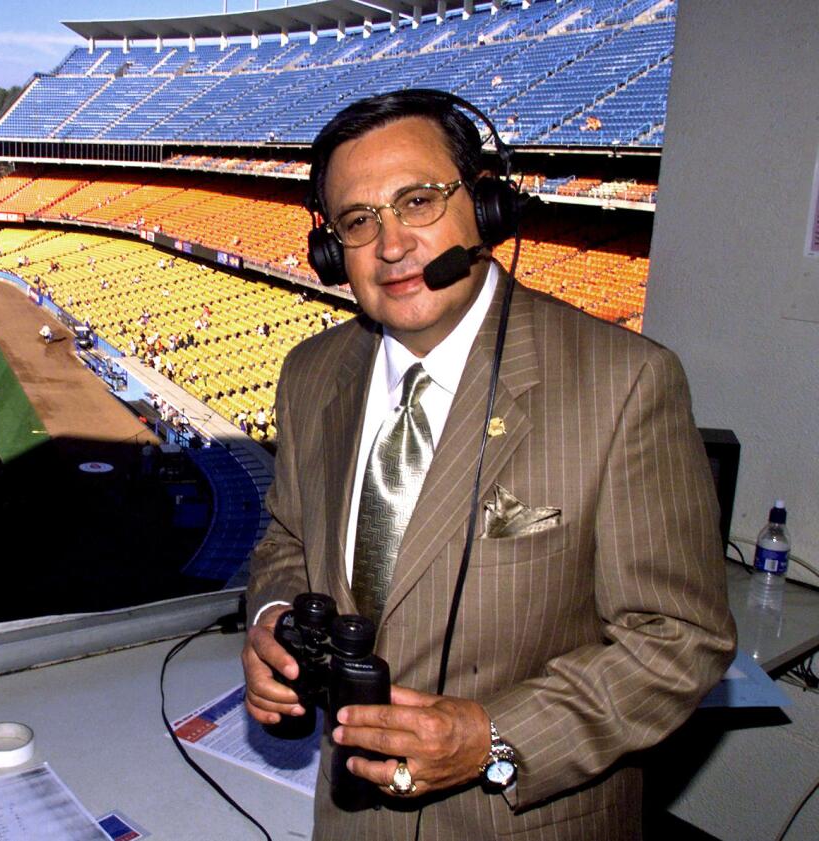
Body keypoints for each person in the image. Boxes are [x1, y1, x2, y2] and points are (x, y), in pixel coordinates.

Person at [240, 90, 735, 841]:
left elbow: (679, 640)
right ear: (332, 250)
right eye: (358, 221)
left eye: (418, 201)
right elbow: (287, 538)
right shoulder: (311, 374)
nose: (392, 245)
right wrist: (275, 619)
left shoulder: (625, 382)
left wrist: (492, 736)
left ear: (488, 206)